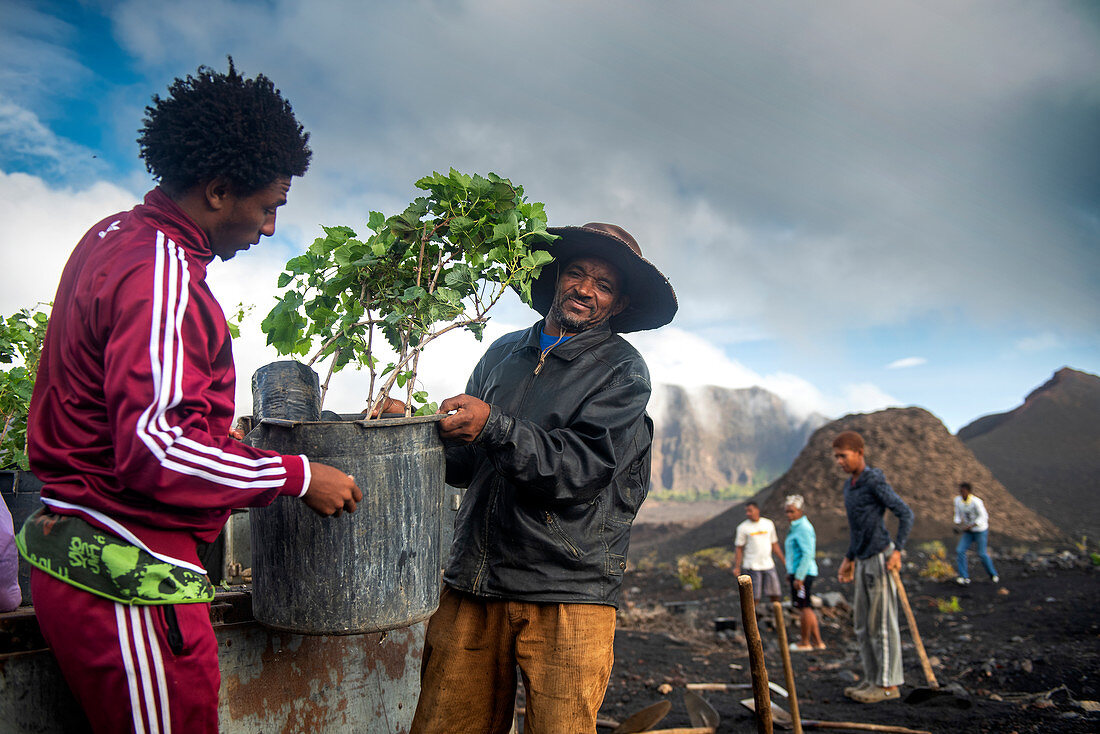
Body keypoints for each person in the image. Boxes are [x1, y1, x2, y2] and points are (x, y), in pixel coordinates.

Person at [17, 61, 361, 732]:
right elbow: (157, 450)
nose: (266, 228)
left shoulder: (112, 237)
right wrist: (297, 474)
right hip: (127, 576)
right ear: (217, 190)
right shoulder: (161, 275)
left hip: (78, 552)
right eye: (267, 208)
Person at [409, 223, 677, 733]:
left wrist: (494, 425)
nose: (584, 289)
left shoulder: (622, 371)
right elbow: (466, 464)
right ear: (555, 277)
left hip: (568, 590)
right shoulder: (504, 353)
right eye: (576, 273)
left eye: (603, 285)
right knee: (446, 724)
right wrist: (412, 431)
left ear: (618, 305)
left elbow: (580, 470)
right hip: (476, 581)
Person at [833, 430, 914, 704]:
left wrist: (898, 551)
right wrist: (849, 558)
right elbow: (858, 529)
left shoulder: (873, 480)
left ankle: (888, 685)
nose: (839, 462)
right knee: (861, 625)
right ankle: (871, 680)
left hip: (880, 557)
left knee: (881, 624)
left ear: (859, 453)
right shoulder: (850, 486)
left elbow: (905, 513)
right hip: (863, 559)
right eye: (836, 457)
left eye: (843, 456)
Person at [783, 494, 824, 651]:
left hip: (804, 573)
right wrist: (791, 572)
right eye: (787, 512)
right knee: (806, 606)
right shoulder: (795, 527)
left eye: (792, 511)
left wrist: (799, 577)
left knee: (803, 606)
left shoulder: (803, 528)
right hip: (799, 572)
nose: (789, 515)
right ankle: (817, 642)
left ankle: (805, 642)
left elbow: (808, 554)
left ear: (800, 511)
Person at [733, 501, 786, 611]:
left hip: (768, 564)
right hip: (752, 566)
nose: (748, 513)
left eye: (750, 511)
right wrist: (737, 566)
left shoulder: (768, 524)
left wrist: (784, 561)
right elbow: (739, 548)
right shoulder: (743, 528)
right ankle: (752, 620)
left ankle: (777, 616)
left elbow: (774, 544)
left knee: (775, 593)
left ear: (757, 510)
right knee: (753, 596)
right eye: (746, 511)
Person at [953, 481, 999, 585]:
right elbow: (958, 515)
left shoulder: (976, 502)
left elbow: (983, 516)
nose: (961, 493)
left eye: (963, 491)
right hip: (968, 532)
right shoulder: (957, 501)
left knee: (982, 553)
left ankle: (993, 574)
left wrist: (971, 525)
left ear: (968, 491)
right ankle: (964, 577)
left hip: (980, 531)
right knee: (960, 551)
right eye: (960, 491)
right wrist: (957, 524)